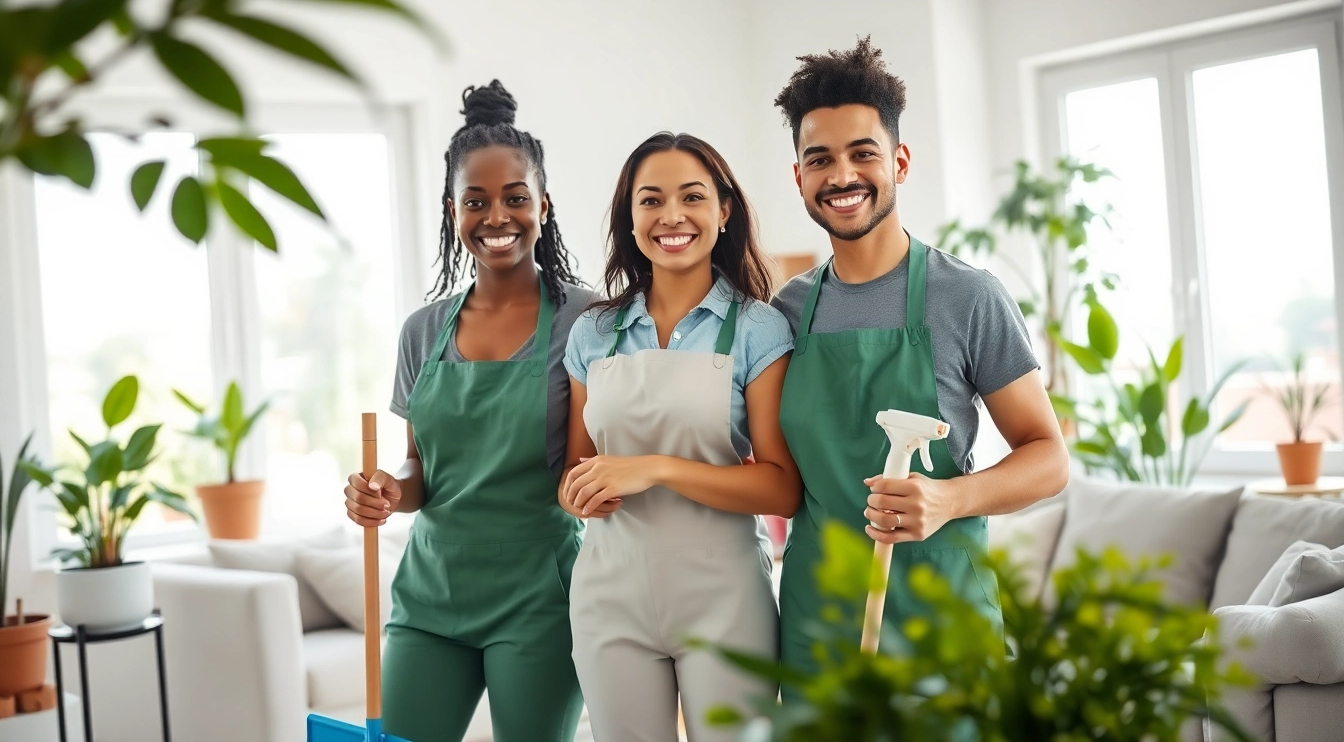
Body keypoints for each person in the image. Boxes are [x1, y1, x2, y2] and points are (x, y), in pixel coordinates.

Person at [769, 38, 1071, 689]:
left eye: (863, 153)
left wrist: (948, 498)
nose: (841, 175)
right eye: (819, 159)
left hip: (943, 624)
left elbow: (1048, 456)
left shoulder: (966, 296)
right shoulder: (786, 312)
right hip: (817, 627)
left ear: (900, 162)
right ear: (799, 178)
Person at [343, 80, 594, 742]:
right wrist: (388, 492)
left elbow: (583, 470)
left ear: (543, 204)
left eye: (515, 198)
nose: (497, 217)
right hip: (430, 595)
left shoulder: (585, 320)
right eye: (475, 201)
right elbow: (421, 470)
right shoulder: (422, 331)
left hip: (539, 598)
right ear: (451, 209)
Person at [561, 132, 801, 741]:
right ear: (630, 217)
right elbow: (574, 469)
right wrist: (579, 493)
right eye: (650, 200)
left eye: (692, 197)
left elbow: (781, 488)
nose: (672, 216)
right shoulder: (593, 332)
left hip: (724, 602)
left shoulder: (757, 327)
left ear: (724, 213)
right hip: (607, 599)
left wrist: (657, 468)